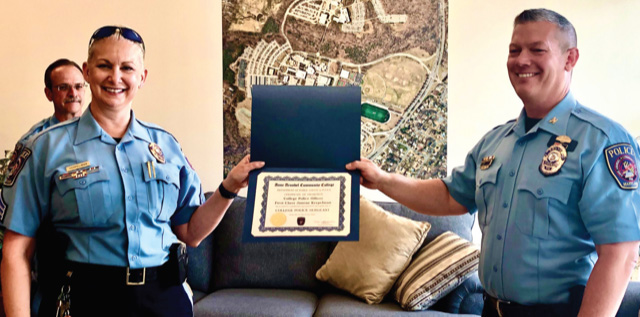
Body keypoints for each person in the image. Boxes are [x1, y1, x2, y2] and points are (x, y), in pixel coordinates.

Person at [347, 8, 640, 317]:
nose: (521, 60)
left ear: (570, 59)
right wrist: (381, 180)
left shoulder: (601, 141)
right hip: (491, 309)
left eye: (537, 50)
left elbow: (620, 252)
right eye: (514, 50)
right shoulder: (496, 142)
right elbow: (449, 196)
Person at [0, 25, 265, 317]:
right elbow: (16, 252)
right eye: (104, 66)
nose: (115, 77)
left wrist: (229, 187)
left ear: (142, 77)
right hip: (88, 299)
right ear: (87, 72)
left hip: (164, 298)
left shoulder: (166, 145)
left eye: (127, 67)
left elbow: (191, 232)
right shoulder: (44, 147)